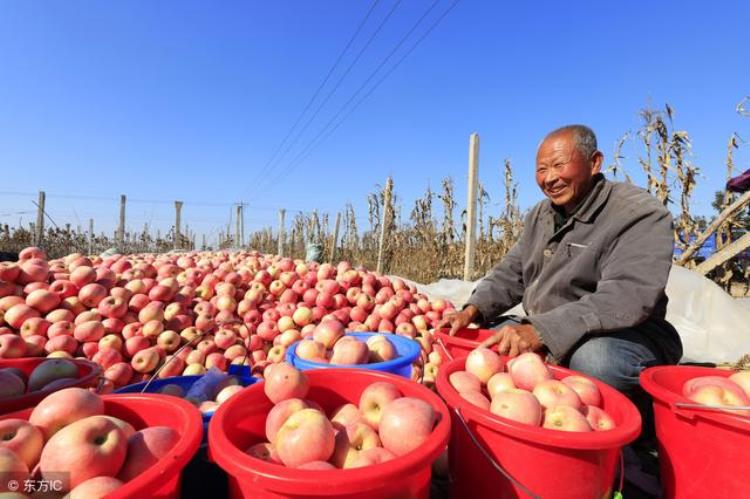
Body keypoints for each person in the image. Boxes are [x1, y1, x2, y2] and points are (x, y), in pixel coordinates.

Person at [437, 125, 682, 454]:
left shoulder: (638, 214)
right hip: (549, 325)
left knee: (595, 362)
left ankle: (647, 426)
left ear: (594, 162)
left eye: (559, 165)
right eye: (541, 169)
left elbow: (628, 295)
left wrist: (541, 331)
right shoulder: (541, 214)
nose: (549, 178)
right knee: (484, 340)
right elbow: (512, 272)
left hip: (627, 334)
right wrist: (473, 309)